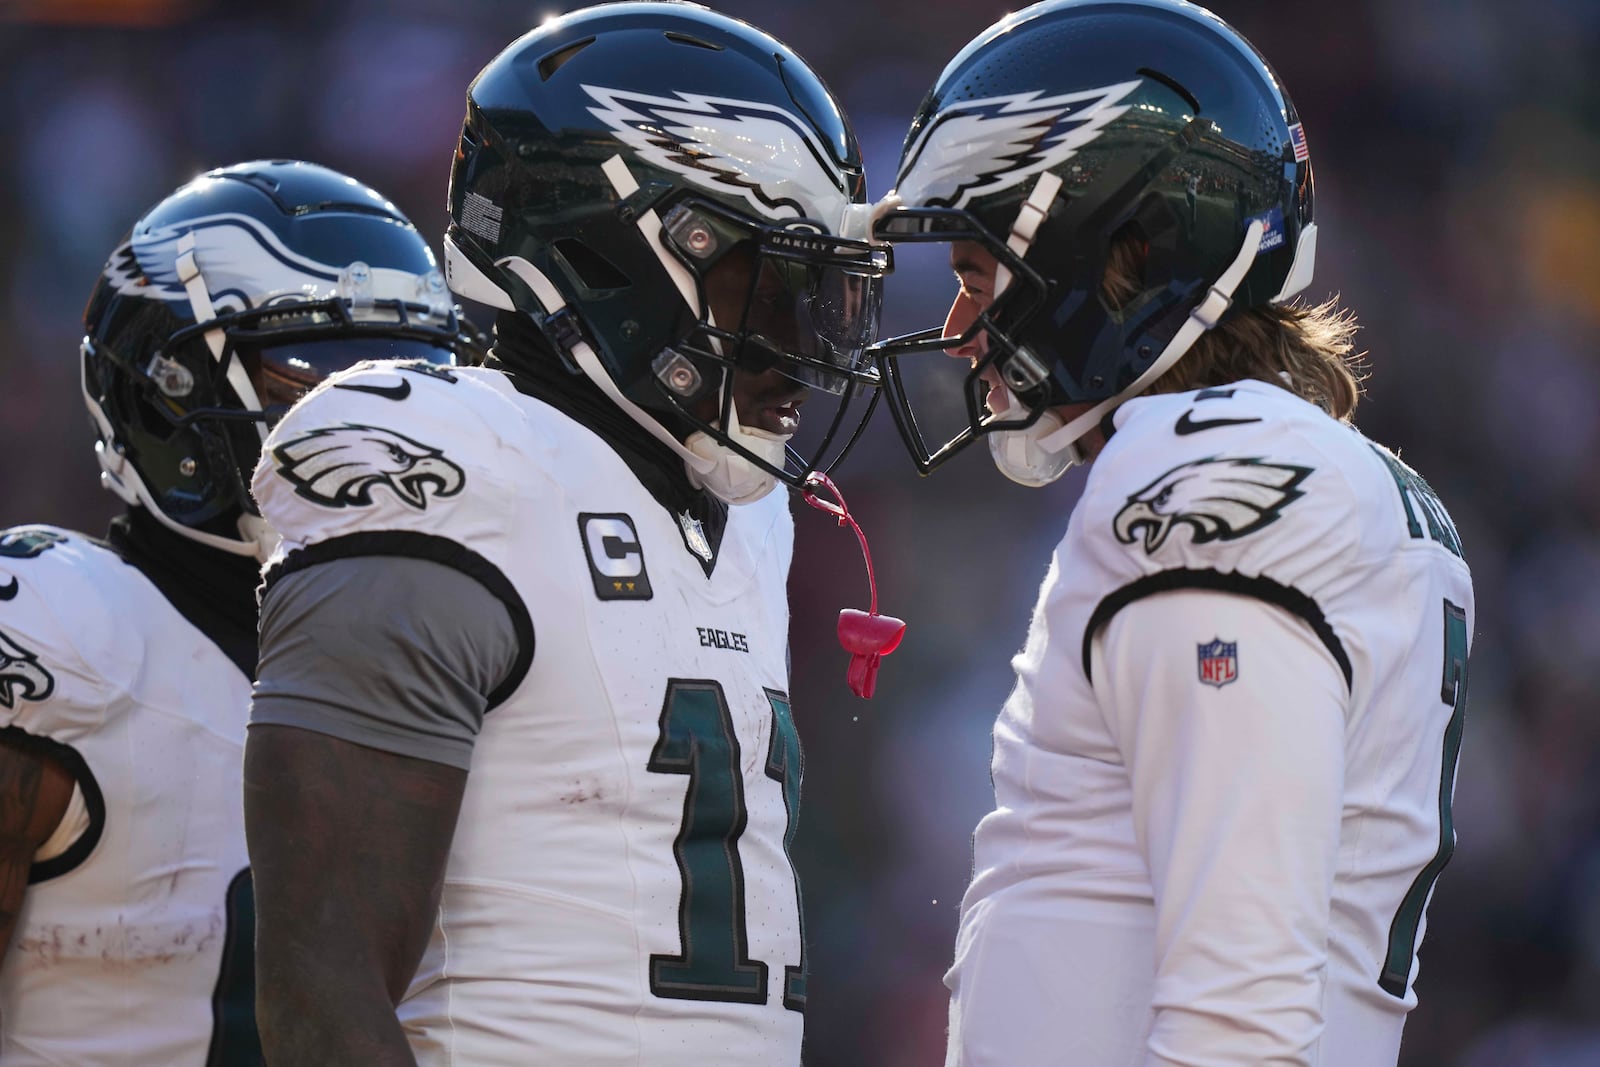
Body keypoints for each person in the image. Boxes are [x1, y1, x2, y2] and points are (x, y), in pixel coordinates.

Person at [243, 4, 887, 1064]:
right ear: (606, 252)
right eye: (767, 286)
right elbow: (322, 989)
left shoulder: (750, 515)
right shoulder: (450, 468)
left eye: (819, 294)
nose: (803, 346)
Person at [869, 2, 1475, 1064]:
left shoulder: (1202, 472)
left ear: (1120, 250)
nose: (961, 332)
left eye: (977, 274)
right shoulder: (1304, 467)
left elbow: (1236, 1011)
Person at [0, 159, 476, 1064]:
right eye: (314, 385)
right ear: (166, 394)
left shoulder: (454, 651)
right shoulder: (64, 636)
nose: (378, 433)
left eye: (410, 384)